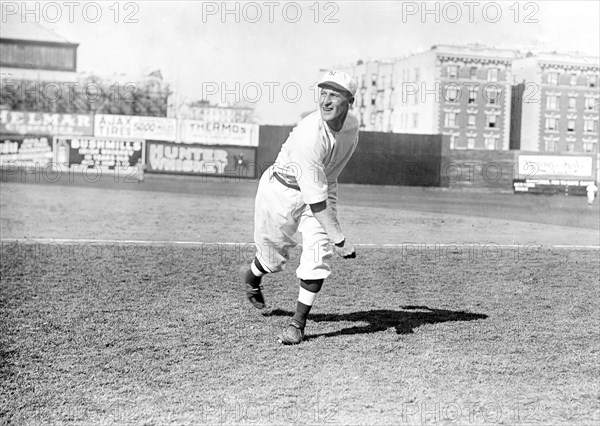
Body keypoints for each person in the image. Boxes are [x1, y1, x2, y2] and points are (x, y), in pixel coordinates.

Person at [239, 70, 359, 345]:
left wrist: (331, 235)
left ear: (349, 101)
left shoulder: (352, 126)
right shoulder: (309, 134)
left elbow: (322, 191)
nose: (326, 101)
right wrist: (339, 238)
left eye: (334, 95)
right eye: (323, 93)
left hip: (321, 189)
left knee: (318, 254)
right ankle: (252, 276)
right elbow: (315, 201)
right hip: (280, 191)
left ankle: (297, 323)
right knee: (272, 258)